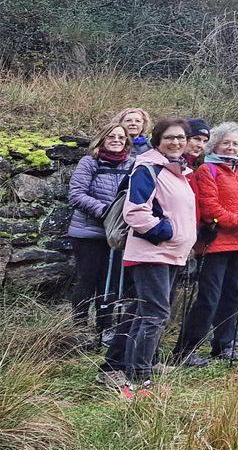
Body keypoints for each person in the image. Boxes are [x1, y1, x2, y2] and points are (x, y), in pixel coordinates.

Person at [117, 119, 197, 392]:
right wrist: (167, 232)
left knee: (145, 314)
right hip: (152, 253)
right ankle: (138, 378)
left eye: (181, 138)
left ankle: (135, 370)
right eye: (169, 138)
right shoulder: (148, 168)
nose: (176, 142)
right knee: (155, 315)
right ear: (157, 140)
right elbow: (135, 211)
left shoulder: (179, 171)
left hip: (172, 254)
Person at [174, 122, 238, 366]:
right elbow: (210, 207)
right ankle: (186, 349)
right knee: (209, 297)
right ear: (216, 145)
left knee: (233, 295)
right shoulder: (207, 170)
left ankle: (224, 344)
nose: (231, 147)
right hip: (215, 244)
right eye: (226, 143)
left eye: (235, 143)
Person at [67, 123, 134, 345]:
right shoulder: (90, 162)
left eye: (121, 137)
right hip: (88, 233)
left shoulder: (133, 164)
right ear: (102, 139)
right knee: (87, 280)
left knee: (111, 282)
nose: (117, 140)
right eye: (112, 136)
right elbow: (76, 194)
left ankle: (104, 329)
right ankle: (79, 329)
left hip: (116, 235)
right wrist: (106, 211)